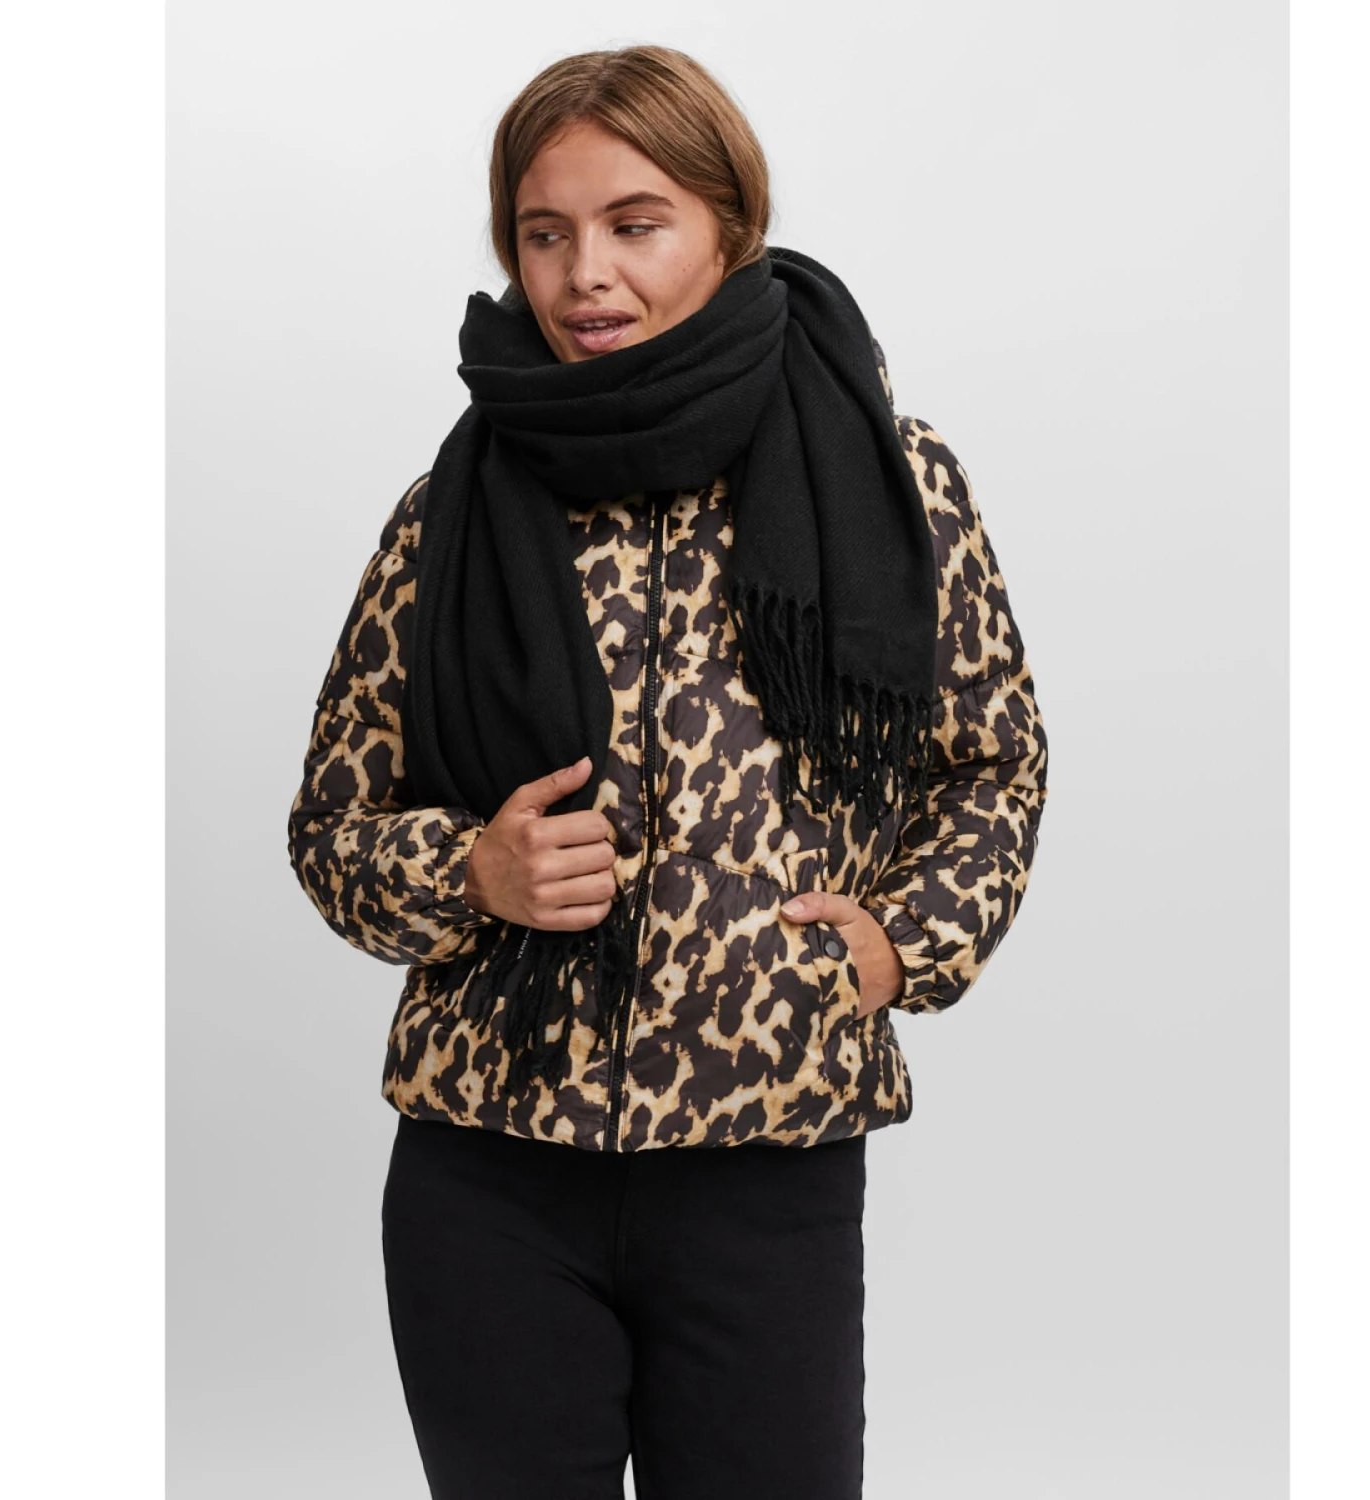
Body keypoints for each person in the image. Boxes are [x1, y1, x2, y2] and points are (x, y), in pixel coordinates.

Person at [286, 43, 1049, 1500]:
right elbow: (333, 826)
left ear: (729, 226)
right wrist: (471, 870)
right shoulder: (450, 510)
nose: (587, 275)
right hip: (490, 1167)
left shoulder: (887, 474)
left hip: (768, 1163)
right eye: (545, 232)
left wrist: (902, 945)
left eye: (636, 224)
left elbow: (992, 765)